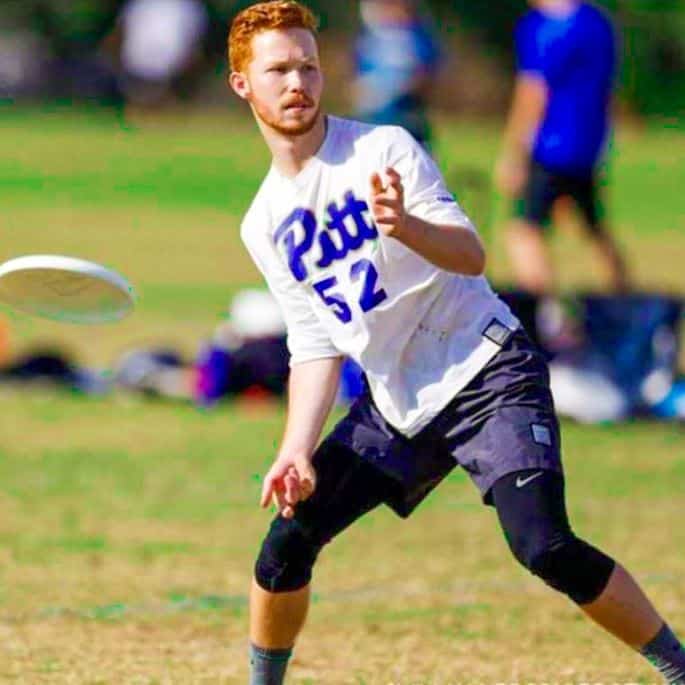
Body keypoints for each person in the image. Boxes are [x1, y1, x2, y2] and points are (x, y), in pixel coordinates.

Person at [227, 2, 685, 683]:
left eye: (308, 67)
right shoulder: (262, 222)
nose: (297, 83)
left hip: (487, 370)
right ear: (242, 85)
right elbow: (315, 342)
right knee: (285, 545)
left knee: (543, 545)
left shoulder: (382, 149)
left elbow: (470, 254)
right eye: (278, 70)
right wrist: (294, 448)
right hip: (398, 402)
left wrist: (405, 224)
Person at [495, 0, 629, 296]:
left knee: (523, 231)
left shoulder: (544, 26)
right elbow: (609, 86)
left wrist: (514, 153)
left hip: (550, 147)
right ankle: (629, 302)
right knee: (595, 231)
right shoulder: (598, 22)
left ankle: (545, 312)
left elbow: (534, 92)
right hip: (588, 145)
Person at [353, 0, 441, 148]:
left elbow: (427, 76)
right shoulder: (369, 37)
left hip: (407, 120)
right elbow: (357, 76)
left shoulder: (418, 36)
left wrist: (395, 90)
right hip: (373, 120)